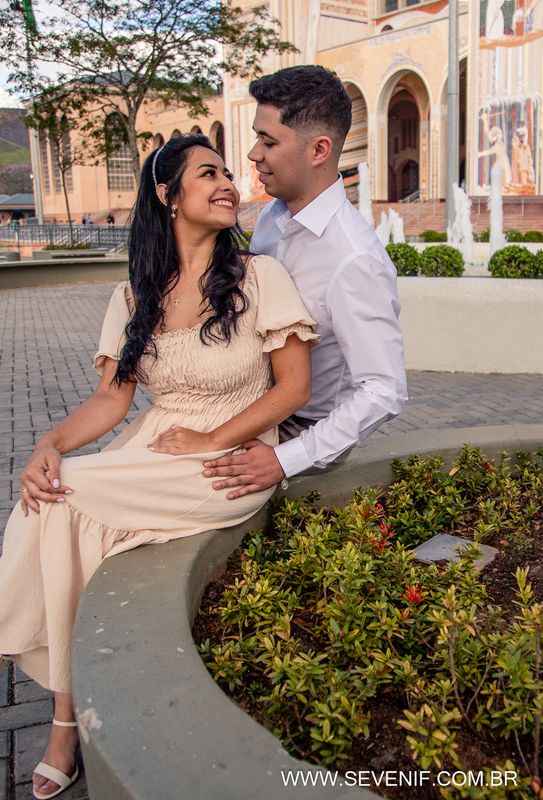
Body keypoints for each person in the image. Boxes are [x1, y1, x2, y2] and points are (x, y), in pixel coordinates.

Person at [0, 133, 317, 799]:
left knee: (66, 495)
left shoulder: (259, 277)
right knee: (56, 493)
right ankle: (66, 715)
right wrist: (48, 443)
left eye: (228, 172)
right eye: (208, 173)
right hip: (156, 445)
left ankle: (63, 721)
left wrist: (212, 439)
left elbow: (293, 388)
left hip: (229, 457)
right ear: (168, 196)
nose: (228, 183)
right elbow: (111, 400)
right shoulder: (134, 295)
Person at [202, 66, 406, 499]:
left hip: (300, 430)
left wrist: (284, 459)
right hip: (250, 403)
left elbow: (384, 391)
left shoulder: (354, 259)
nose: (254, 154)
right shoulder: (271, 219)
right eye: (257, 138)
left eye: (268, 141)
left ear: (318, 150)